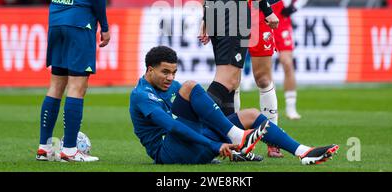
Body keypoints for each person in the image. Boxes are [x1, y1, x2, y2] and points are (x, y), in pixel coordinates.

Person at [196, 0, 310, 158]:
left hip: (256, 10)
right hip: (229, 7)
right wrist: (206, 11)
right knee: (231, 80)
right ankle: (237, 141)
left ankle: (272, 141)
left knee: (261, 77)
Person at [130, 46, 339, 165]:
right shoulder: (141, 95)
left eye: (173, 72)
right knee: (190, 86)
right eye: (165, 72)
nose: (170, 77)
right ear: (149, 70)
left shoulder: (173, 86)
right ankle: (237, 137)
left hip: (192, 146)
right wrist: (214, 145)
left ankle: (303, 152)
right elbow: (173, 127)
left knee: (250, 115)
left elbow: (199, 119)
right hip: (169, 154)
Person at [30, 0, 110, 162]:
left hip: (57, 20)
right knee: (77, 88)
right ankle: (69, 150)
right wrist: (105, 25)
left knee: (55, 85)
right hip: (80, 23)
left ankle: (44, 147)